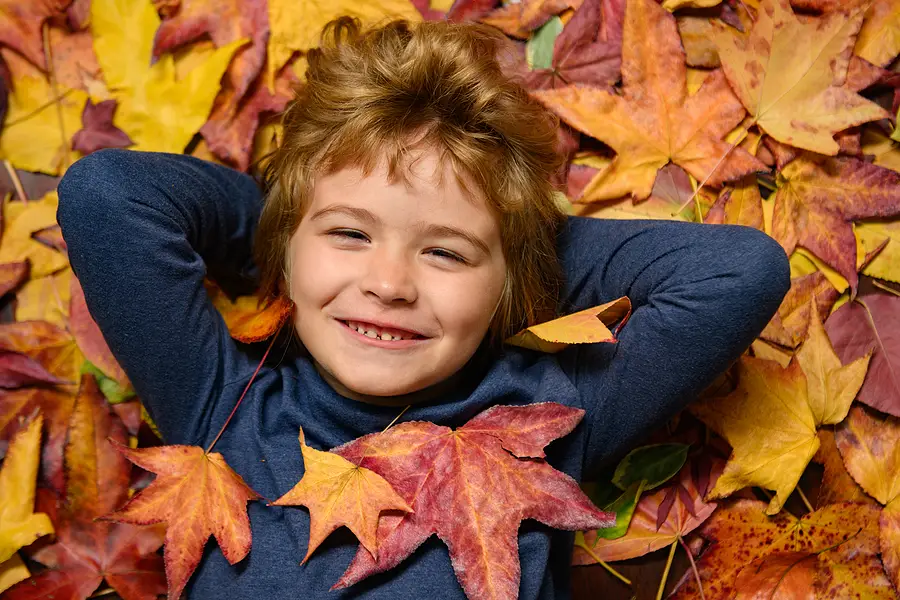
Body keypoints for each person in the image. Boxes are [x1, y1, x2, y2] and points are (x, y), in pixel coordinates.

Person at [57, 16, 789, 600]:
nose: (389, 283)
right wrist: (285, 224)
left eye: (445, 253)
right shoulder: (219, 401)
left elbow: (741, 271)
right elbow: (106, 197)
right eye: (349, 234)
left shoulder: (544, 423)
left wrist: (519, 253)